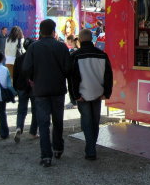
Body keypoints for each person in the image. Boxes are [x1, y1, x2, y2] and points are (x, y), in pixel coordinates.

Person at [22, 19, 71, 167]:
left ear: (40, 31)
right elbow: (68, 69)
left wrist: (32, 79)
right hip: (58, 89)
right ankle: (58, 148)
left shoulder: (33, 47)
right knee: (58, 120)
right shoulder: (61, 47)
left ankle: (46, 156)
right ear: (53, 31)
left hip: (40, 90)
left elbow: (26, 68)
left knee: (43, 124)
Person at [68, 29, 113, 160]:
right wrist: (106, 93)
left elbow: (72, 78)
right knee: (95, 121)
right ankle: (92, 146)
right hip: (98, 93)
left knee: (87, 121)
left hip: (82, 94)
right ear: (92, 38)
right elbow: (109, 76)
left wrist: (75, 96)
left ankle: (91, 148)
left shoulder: (75, 56)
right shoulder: (102, 55)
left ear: (80, 39)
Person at [13, 38, 38, 142]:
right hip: (33, 87)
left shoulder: (19, 59)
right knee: (35, 110)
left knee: (21, 109)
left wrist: (15, 88)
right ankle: (33, 132)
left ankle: (19, 127)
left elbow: (15, 75)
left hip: (21, 87)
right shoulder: (36, 59)